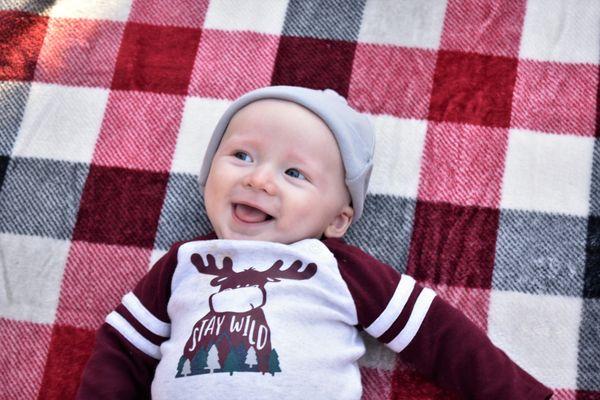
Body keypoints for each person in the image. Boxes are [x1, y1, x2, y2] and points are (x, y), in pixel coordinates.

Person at [76, 86, 553, 399]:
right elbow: (122, 349)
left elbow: (441, 336)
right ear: (206, 179)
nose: (260, 180)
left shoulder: (338, 269)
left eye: (294, 172)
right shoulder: (184, 264)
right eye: (241, 155)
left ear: (338, 219)